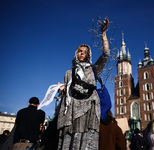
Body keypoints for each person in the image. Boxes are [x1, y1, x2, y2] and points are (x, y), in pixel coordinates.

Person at [57, 18, 110, 150]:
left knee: (86, 143)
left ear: (88, 55)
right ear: (76, 53)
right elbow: (66, 94)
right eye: (80, 51)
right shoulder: (69, 73)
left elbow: (106, 54)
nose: (82, 53)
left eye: (85, 52)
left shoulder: (93, 70)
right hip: (71, 112)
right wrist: (62, 89)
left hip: (88, 111)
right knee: (69, 142)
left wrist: (103, 34)